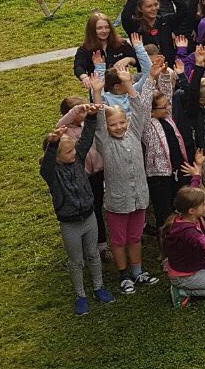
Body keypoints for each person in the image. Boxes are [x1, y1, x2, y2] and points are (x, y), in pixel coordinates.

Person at [81, 67, 158, 294]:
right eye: (113, 124)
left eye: (122, 122)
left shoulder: (134, 132)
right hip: (118, 201)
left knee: (135, 237)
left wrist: (128, 84)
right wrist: (97, 93)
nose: (118, 127)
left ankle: (138, 271)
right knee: (119, 240)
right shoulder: (105, 141)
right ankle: (124, 275)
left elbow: (139, 109)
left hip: (139, 197)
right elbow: (99, 122)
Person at [41, 119, 117, 315]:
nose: (74, 153)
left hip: (89, 218)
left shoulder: (78, 161)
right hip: (70, 225)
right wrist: (53, 144)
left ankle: (99, 287)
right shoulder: (52, 174)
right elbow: (46, 165)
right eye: (69, 152)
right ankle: (81, 295)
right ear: (56, 157)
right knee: (76, 261)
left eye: (74, 149)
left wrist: (91, 117)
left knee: (93, 254)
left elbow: (87, 138)